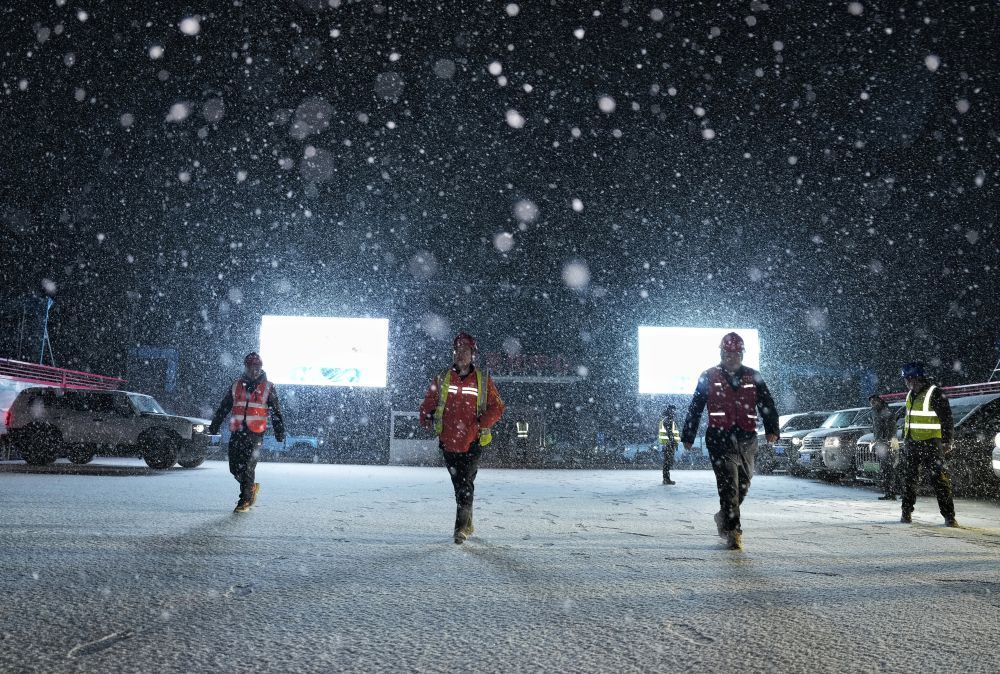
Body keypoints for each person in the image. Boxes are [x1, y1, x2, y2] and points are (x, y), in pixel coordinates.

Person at [681, 332, 779, 550]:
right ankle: (734, 531)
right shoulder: (708, 376)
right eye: (727, 353)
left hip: (747, 439)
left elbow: (767, 404)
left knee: (743, 485)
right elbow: (695, 407)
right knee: (729, 486)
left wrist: (772, 428)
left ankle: (723, 516)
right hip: (719, 439)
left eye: (736, 353)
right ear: (721, 353)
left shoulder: (754, 377)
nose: (731, 357)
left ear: (742, 354)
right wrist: (688, 435)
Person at [419, 332, 505, 544]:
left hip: (473, 442)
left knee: (465, 484)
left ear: (473, 354)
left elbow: (498, 407)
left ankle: (460, 529)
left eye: (465, 351)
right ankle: (467, 523)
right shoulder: (442, 378)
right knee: (460, 485)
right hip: (448, 442)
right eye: (458, 350)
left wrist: (480, 423)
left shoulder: (483, 380)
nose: (461, 354)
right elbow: (428, 402)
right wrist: (426, 416)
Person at [208, 352, 286, 513]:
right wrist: (215, 425)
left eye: (257, 367)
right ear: (246, 367)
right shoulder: (236, 385)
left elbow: (276, 412)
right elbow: (224, 407)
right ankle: (250, 487)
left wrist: (279, 432)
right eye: (251, 367)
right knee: (234, 468)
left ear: (261, 368)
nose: (254, 370)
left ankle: (244, 501)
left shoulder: (268, 387)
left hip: (256, 433)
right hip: (237, 431)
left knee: (248, 467)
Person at [898, 362, 958, 527]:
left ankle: (949, 517)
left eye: (907, 379)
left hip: (931, 444)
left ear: (916, 378)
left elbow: (947, 419)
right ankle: (906, 512)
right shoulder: (910, 395)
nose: (906, 383)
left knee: (939, 480)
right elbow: (909, 419)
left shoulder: (935, 393)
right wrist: (906, 439)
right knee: (909, 480)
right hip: (912, 444)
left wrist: (947, 441)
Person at [869, 394, 899, 501]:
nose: (872, 403)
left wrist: (887, 439)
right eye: (871, 402)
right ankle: (889, 492)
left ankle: (891, 492)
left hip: (886, 443)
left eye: (874, 401)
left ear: (879, 401)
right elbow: (876, 427)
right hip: (880, 442)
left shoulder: (885, 411)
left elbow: (890, 426)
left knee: (889, 468)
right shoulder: (874, 411)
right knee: (886, 468)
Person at [658, 405, 681, 485]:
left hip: (667, 444)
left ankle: (666, 478)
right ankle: (666, 479)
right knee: (667, 462)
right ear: (669, 411)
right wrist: (672, 443)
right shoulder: (668, 420)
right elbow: (670, 433)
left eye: (674, 411)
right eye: (673, 411)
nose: (674, 412)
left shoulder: (667, 420)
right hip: (669, 444)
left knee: (667, 462)